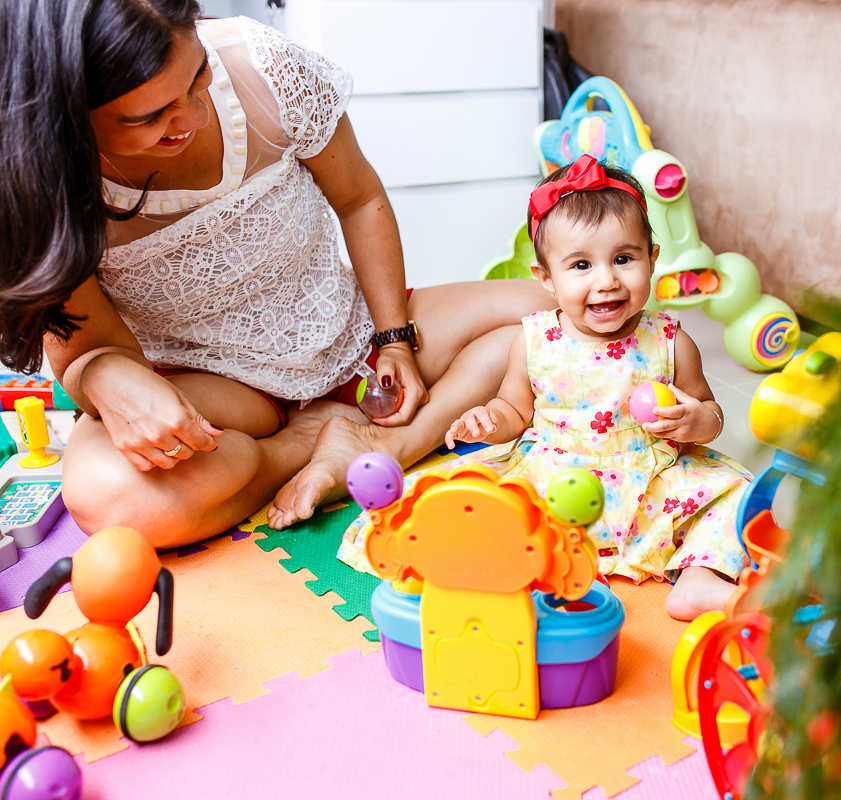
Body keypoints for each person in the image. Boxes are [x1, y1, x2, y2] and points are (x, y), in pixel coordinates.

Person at [0, 0, 549, 547]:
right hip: (219, 393)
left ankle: (384, 445)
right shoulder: (40, 185)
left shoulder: (263, 66)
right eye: (152, 116)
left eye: (199, 75)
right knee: (111, 494)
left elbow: (360, 199)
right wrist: (103, 375)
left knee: (555, 314)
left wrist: (395, 340)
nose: (195, 117)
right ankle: (301, 446)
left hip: (354, 336)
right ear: (66, 115)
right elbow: (85, 353)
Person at [339, 155, 750, 620]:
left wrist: (696, 420)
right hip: (554, 481)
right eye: (581, 265)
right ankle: (512, 564)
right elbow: (513, 411)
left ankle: (700, 577)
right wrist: (488, 420)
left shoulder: (671, 341)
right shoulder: (535, 340)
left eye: (623, 259)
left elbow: (711, 412)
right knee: (475, 504)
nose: (607, 281)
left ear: (651, 260)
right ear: (547, 279)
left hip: (649, 483)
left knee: (736, 491)